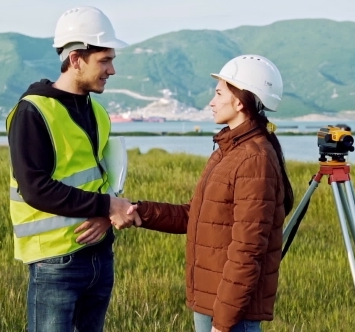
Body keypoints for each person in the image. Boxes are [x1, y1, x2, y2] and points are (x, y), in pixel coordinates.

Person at [123, 55, 295, 332]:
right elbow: (196, 215)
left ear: (240, 101)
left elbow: (247, 250)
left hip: (229, 313)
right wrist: (139, 211)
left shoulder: (254, 159)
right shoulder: (229, 150)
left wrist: (224, 323)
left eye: (218, 93)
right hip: (211, 303)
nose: (211, 102)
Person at [5, 6, 140, 332]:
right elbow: (35, 187)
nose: (112, 70)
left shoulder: (98, 112)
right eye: (104, 60)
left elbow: (106, 178)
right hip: (56, 262)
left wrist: (104, 212)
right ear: (76, 59)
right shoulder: (33, 111)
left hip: (99, 254)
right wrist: (107, 206)